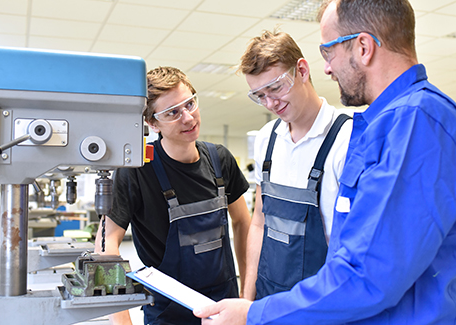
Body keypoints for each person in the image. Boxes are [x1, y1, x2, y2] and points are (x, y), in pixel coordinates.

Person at [193, 0, 456, 323]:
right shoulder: (386, 124)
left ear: (363, 47)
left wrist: (255, 314)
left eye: (328, 52)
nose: (327, 69)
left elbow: (367, 274)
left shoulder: (415, 122)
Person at [95, 66, 251, 325]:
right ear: (152, 123)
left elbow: (243, 222)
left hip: (224, 307)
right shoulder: (137, 171)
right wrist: (122, 321)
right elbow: (105, 249)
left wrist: (247, 293)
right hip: (169, 314)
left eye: (190, 104)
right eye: (173, 113)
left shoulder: (220, 159)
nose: (188, 118)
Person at [238, 30, 352, 301]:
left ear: (301, 70)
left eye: (276, 87)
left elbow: (350, 243)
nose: (270, 103)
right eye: (259, 95)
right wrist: (247, 299)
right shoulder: (267, 138)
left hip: (322, 303)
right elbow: (259, 222)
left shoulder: (346, 139)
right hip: (269, 299)